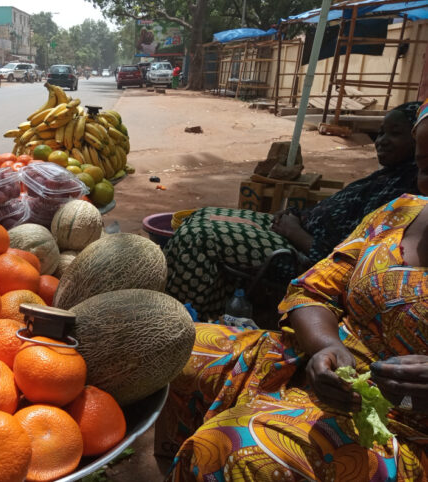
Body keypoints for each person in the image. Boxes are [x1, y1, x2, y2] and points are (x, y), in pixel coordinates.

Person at [160, 98, 428, 481]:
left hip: (401, 422)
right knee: (173, 347)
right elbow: (312, 289)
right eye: (425, 167)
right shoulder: (401, 210)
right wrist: (326, 346)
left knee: (234, 450)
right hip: (316, 364)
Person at [164, 102, 422, 321]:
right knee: (199, 216)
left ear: (419, 140)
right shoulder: (391, 174)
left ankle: (186, 321)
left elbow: (347, 260)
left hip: (301, 253)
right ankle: (204, 307)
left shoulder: (406, 191)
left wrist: (296, 232)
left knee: (196, 237)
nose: (382, 141)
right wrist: (297, 214)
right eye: (381, 133)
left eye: (394, 134)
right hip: (293, 230)